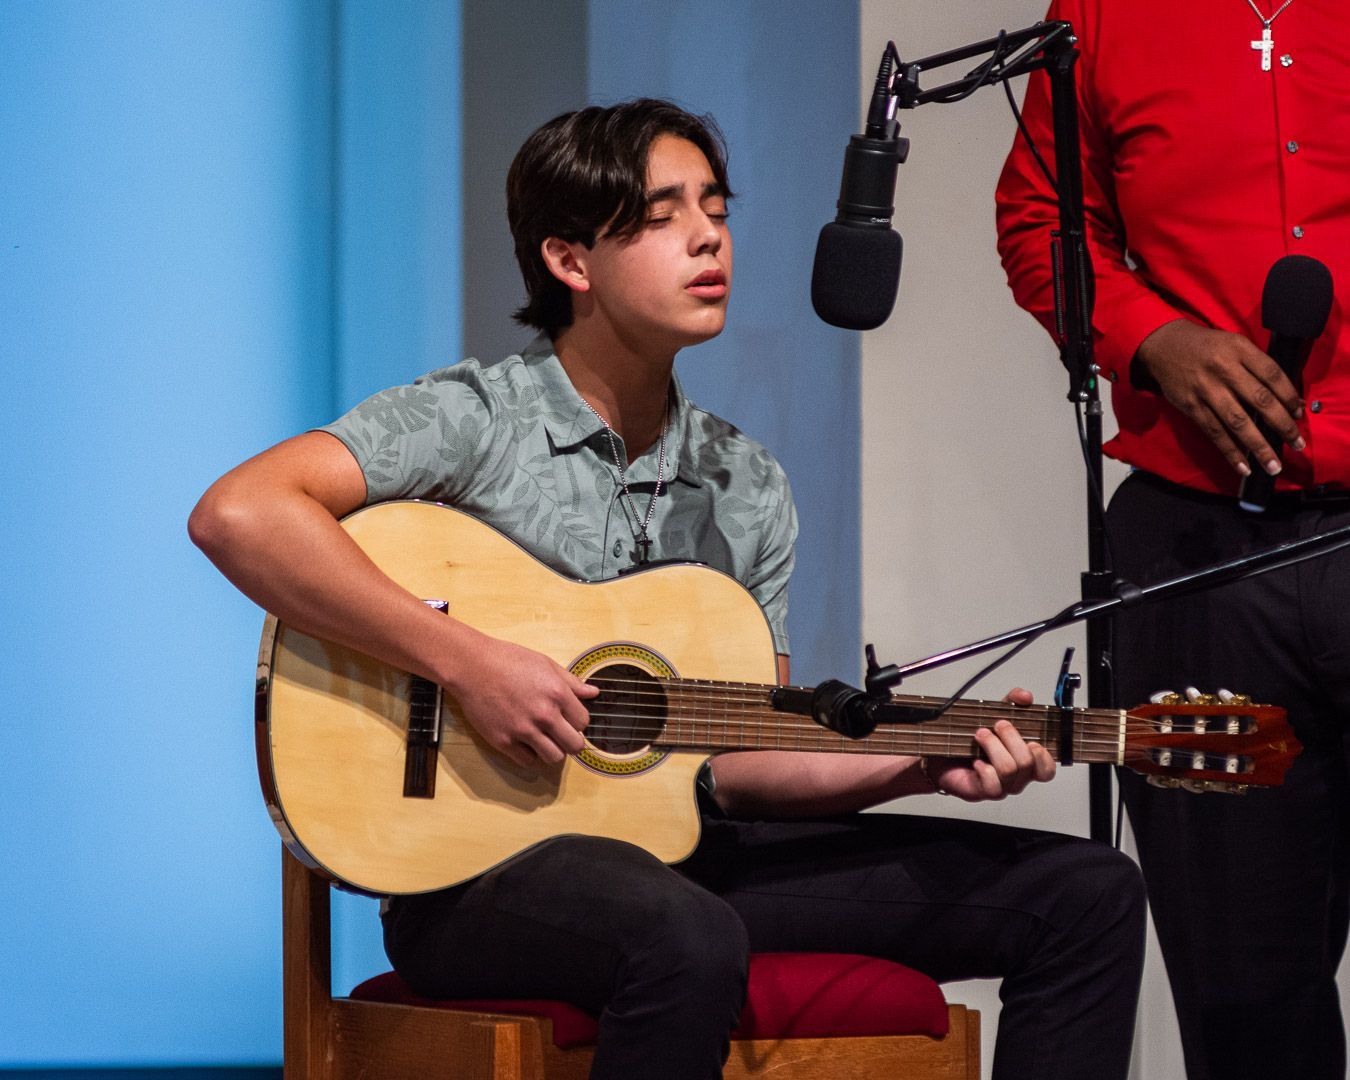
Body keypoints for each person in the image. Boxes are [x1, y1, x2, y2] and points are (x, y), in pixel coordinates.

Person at [192, 97, 1144, 1080]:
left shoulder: (747, 483)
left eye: (717, 209)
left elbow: (743, 760)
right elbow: (241, 513)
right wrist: (469, 665)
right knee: (683, 937)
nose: (708, 238)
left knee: (1086, 893)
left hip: (681, 855)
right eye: (662, 216)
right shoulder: (473, 421)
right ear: (571, 261)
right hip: (470, 875)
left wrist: (917, 761)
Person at [996, 4, 1350, 1078]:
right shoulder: (1101, 12)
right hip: (1195, 551)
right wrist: (1149, 339)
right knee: (1246, 993)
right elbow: (1036, 224)